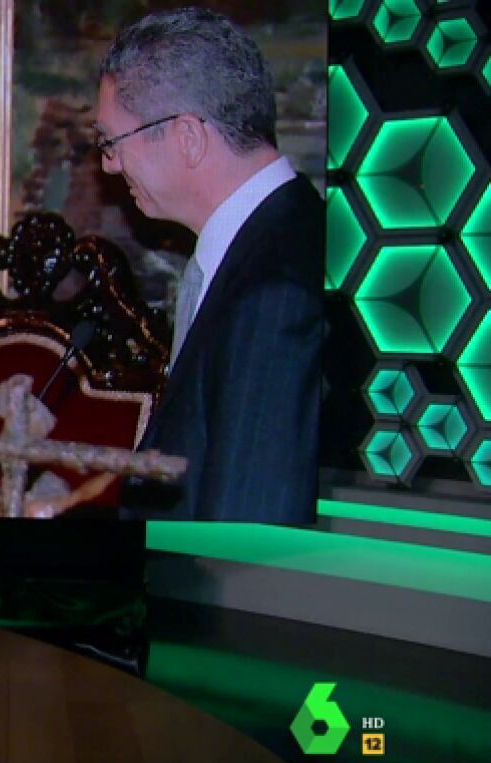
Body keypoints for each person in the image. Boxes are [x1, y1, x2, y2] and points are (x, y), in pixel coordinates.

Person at [95, 8, 322, 523]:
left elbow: (250, 533)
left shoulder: (275, 293)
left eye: (111, 142)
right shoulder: (270, 243)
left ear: (187, 137)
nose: (108, 164)